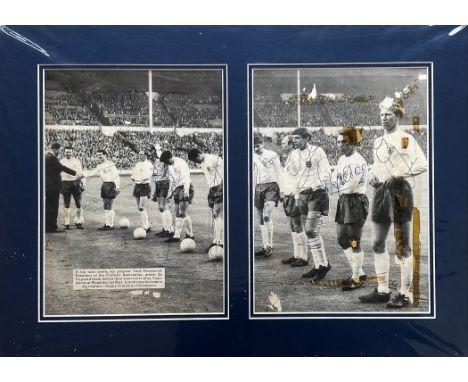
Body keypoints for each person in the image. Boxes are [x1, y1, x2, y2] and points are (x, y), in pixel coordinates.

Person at [359, 97, 427, 308]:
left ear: (397, 116)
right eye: (381, 114)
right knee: (376, 243)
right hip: (380, 191)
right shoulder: (377, 141)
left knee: (402, 245)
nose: (383, 118)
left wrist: (399, 174)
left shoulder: (405, 139)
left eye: (388, 114)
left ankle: (405, 294)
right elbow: (377, 165)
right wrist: (371, 173)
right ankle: (382, 290)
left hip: (399, 192)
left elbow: (422, 164)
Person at [289, 127, 332, 282]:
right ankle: (319, 265)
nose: (294, 141)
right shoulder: (293, 154)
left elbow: (326, 172)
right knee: (310, 232)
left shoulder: (318, 151)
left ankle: (323, 265)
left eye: (297, 138)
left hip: (317, 194)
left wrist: (313, 186)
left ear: (306, 138)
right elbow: (293, 176)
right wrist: (296, 195)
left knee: (310, 229)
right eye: (293, 138)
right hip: (302, 196)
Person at [333, 127, 369, 291]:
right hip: (344, 201)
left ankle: (356, 278)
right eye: (339, 142)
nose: (341, 145)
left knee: (354, 241)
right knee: (342, 239)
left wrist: (338, 185)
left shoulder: (359, 161)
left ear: (353, 143)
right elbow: (335, 180)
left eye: (344, 142)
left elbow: (350, 186)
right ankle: (359, 272)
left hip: (355, 202)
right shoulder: (341, 159)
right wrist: (338, 185)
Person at [279, 135, 309, 267]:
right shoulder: (287, 158)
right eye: (282, 143)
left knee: (298, 225)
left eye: (285, 143)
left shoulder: (296, 157)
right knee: (292, 226)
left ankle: (304, 257)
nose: (282, 145)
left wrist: (296, 196)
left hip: (294, 195)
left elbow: (298, 178)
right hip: (287, 195)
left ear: (292, 144)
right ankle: (297, 255)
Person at [188, 148, 224, 250]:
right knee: (215, 215)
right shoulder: (203, 163)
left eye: (196, 159)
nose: (196, 162)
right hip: (212, 189)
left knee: (217, 213)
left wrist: (223, 183)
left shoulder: (213, 158)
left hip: (220, 188)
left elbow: (227, 166)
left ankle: (219, 242)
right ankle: (216, 240)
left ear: (200, 153)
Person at [253, 135, 281, 258]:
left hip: (271, 186)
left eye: (257, 145)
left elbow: (279, 172)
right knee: (260, 218)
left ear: (262, 144)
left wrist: (282, 189)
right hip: (258, 187)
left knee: (266, 215)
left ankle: (270, 246)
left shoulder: (272, 155)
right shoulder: (251, 157)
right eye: (253, 146)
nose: (255, 148)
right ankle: (265, 246)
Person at [159, 151, 194, 243]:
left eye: (167, 161)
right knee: (179, 212)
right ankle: (190, 234)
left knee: (181, 213)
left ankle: (177, 236)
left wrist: (186, 191)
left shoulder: (181, 163)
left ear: (170, 157)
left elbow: (186, 178)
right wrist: (170, 192)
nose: (167, 164)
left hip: (185, 187)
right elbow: (172, 180)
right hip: (178, 189)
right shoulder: (170, 166)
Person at [45, 142, 80, 233]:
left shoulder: (47, 156)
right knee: (53, 207)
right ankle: (52, 227)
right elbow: (62, 167)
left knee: (49, 207)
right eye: (59, 150)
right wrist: (76, 173)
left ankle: (48, 226)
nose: (60, 153)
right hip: (53, 186)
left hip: (48, 186)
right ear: (55, 149)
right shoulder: (51, 157)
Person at [85, 149, 121, 230]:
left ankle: (111, 225)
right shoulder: (100, 166)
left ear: (105, 155)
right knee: (105, 205)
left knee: (109, 204)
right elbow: (91, 173)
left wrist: (118, 187)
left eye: (100, 155)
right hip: (104, 185)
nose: (99, 157)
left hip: (111, 184)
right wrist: (81, 175)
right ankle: (107, 224)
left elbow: (116, 175)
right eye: (98, 156)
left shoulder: (111, 164)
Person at [149, 144, 173, 238]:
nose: (150, 153)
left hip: (165, 183)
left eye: (151, 151)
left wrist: (170, 189)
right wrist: (155, 191)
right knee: (161, 207)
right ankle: (165, 229)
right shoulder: (155, 161)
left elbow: (169, 173)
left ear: (155, 151)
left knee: (163, 207)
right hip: (159, 184)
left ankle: (170, 230)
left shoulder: (162, 159)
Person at [60, 146, 84, 229]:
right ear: (64, 152)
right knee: (66, 203)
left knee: (78, 203)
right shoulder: (61, 161)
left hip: (75, 183)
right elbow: (59, 174)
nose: (68, 153)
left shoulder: (76, 161)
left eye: (69, 152)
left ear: (72, 152)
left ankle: (79, 221)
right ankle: (67, 223)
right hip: (65, 183)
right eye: (66, 152)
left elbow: (80, 173)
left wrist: (82, 182)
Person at [131, 150, 154, 233]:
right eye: (139, 154)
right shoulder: (138, 164)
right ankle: (146, 225)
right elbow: (133, 174)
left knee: (142, 207)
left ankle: (146, 226)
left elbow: (147, 176)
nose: (139, 156)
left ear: (146, 155)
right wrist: (133, 177)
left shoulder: (149, 164)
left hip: (145, 186)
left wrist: (137, 178)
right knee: (139, 208)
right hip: (137, 186)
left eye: (141, 154)